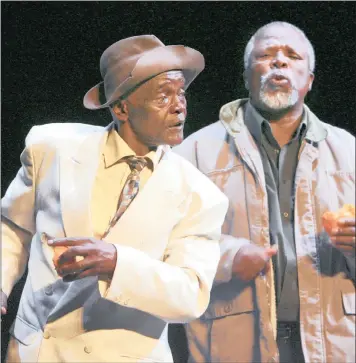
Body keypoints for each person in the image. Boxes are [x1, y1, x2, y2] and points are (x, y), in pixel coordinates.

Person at [1, 35, 228, 363]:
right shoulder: (51, 148)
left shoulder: (199, 195)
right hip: (37, 351)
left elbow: (191, 294)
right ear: (122, 107)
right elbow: (12, 228)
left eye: (181, 93)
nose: (180, 105)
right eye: (163, 95)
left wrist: (117, 262)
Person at [174, 21, 355, 363]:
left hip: (333, 342)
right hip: (234, 341)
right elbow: (168, 246)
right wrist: (227, 259)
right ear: (246, 76)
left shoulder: (350, 152)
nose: (279, 62)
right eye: (266, 55)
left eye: (291, 56)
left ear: (310, 80)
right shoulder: (194, 153)